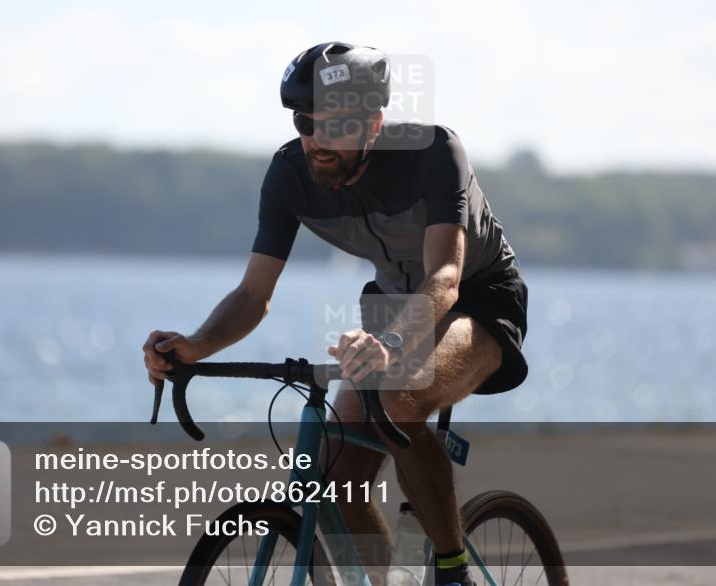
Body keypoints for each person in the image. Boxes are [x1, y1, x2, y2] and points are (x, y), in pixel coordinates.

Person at [143, 41, 529, 586]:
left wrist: (391, 347)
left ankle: (452, 571)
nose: (316, 140)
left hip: (479, 297)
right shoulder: (289, 175)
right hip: (394, 305)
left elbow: (444, 277)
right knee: (334, 470)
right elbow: (253, 294)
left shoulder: (433, 153)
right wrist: (196, 345)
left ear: (373, 123)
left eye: (335, 125)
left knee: (398, 396)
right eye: (306, 122)